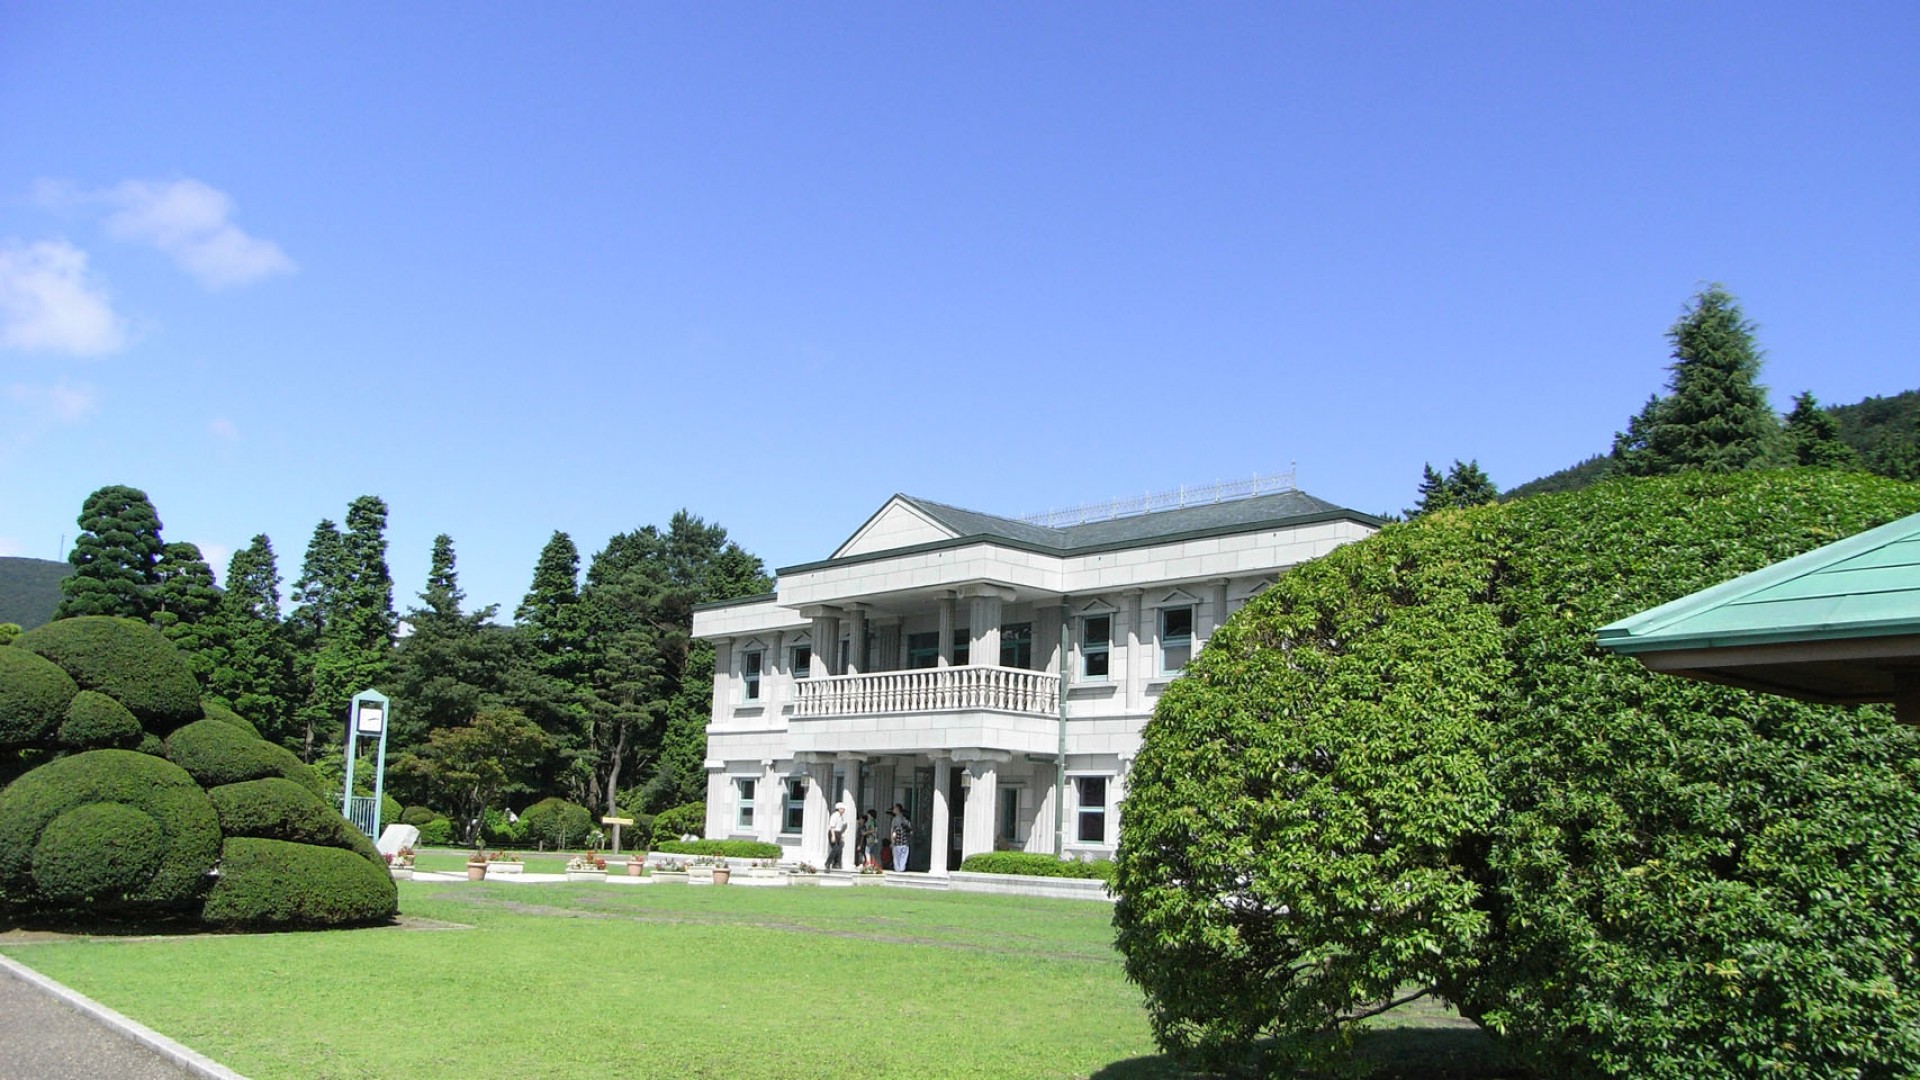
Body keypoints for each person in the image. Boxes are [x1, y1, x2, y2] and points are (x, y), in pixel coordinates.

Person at [889, 802, 913, 872]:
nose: (893, 809)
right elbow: (910, 831)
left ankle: (898, 869)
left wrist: (892, 841)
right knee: (903, 856)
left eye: (894, 808)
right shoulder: (906, 819)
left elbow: (894, 831)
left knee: (897, 857)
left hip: (897, 841)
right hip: (905, 841)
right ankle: (902, 868)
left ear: (897, 809)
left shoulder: (895, 819)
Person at [827, 802, 847, 869]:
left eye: (844, 809)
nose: (843, 810)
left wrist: (841, 837)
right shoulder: (835, 815)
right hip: (833, 832)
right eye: (842, 809)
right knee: (835, 849)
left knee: (839, 850)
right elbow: (832, 826)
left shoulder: (841, 817)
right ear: (838, 809)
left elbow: (841, 828)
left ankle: (836, 864)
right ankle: (828, 862)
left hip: (838, 833)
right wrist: (833, 836)